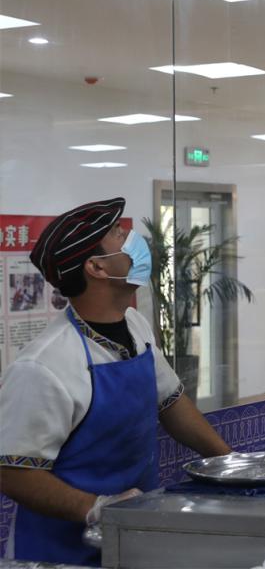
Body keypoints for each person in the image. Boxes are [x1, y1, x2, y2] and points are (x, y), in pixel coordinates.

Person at [0, 198, 232, 566]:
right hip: (59, 554)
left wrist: (230, 464)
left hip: (129, 538)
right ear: (97, 267)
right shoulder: (43, 366)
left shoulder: (135, 326)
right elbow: (14, 473)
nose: (134, 240)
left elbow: (171, 402)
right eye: (119, 235)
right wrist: (97, 508)